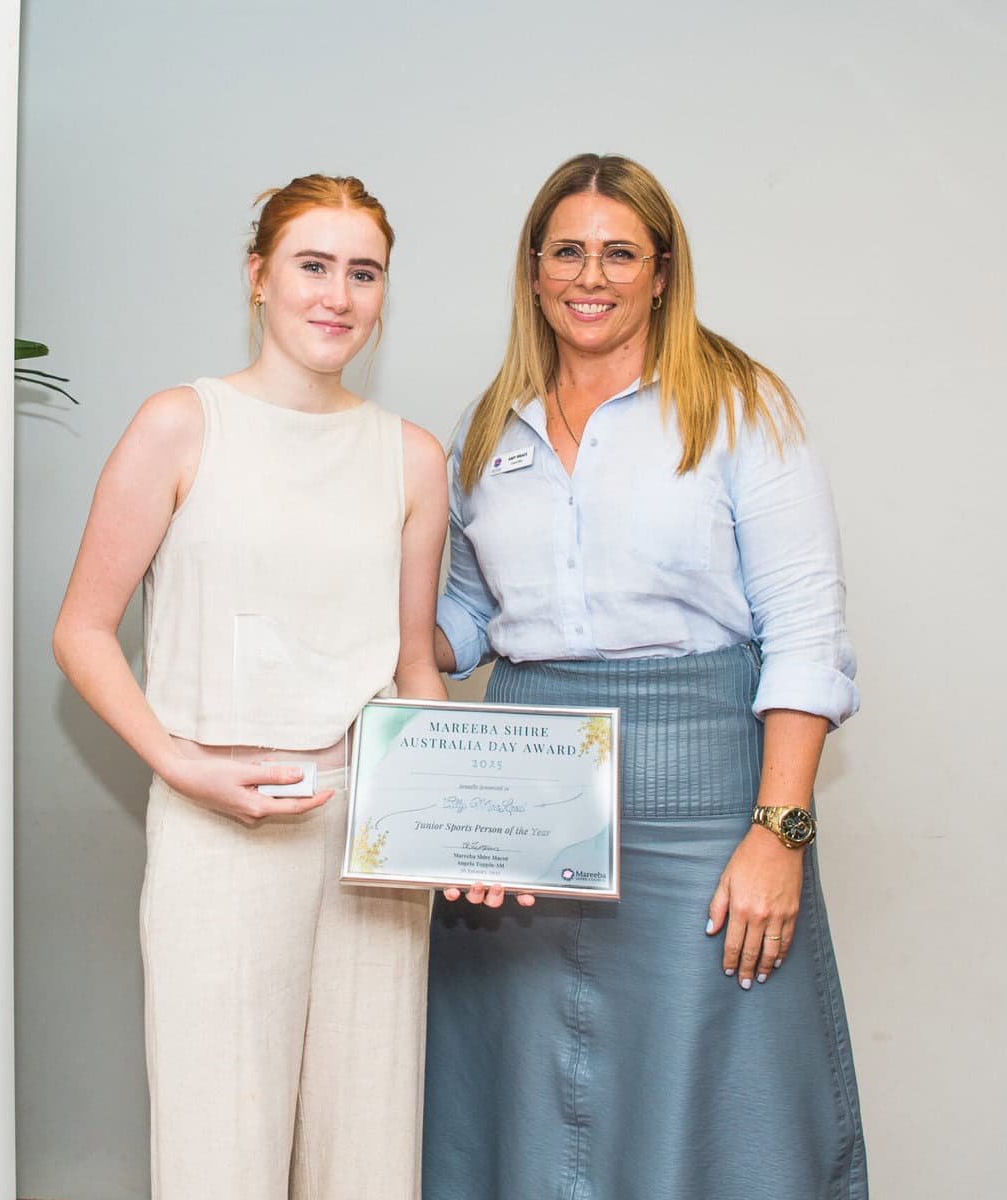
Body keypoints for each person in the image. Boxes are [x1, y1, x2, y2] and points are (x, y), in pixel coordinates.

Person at [426, 152, 867, 1199]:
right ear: (534, 270)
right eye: (567, 252)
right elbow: (465, 622)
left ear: (662, 274)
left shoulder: (740, 407)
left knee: (721, 1109)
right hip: (521, 809)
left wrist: (780, 831)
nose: (592, 276)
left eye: (620, 253)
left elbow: (806, 632)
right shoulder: (489, 426)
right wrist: (328, 614)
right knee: (526, 1103)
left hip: (701, 803)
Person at [53, 174, 448, 1199]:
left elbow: (414, 665)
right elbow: (82, 630)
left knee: (368, 1151)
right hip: (217, 825)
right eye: (313, 265)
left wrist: (450, 822)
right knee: (219, 1149)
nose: (338, 296)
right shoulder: (181, 425)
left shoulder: (411, 458)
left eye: (364, 273)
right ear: (258, 276)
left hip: (370, 835)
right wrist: (179, 765)